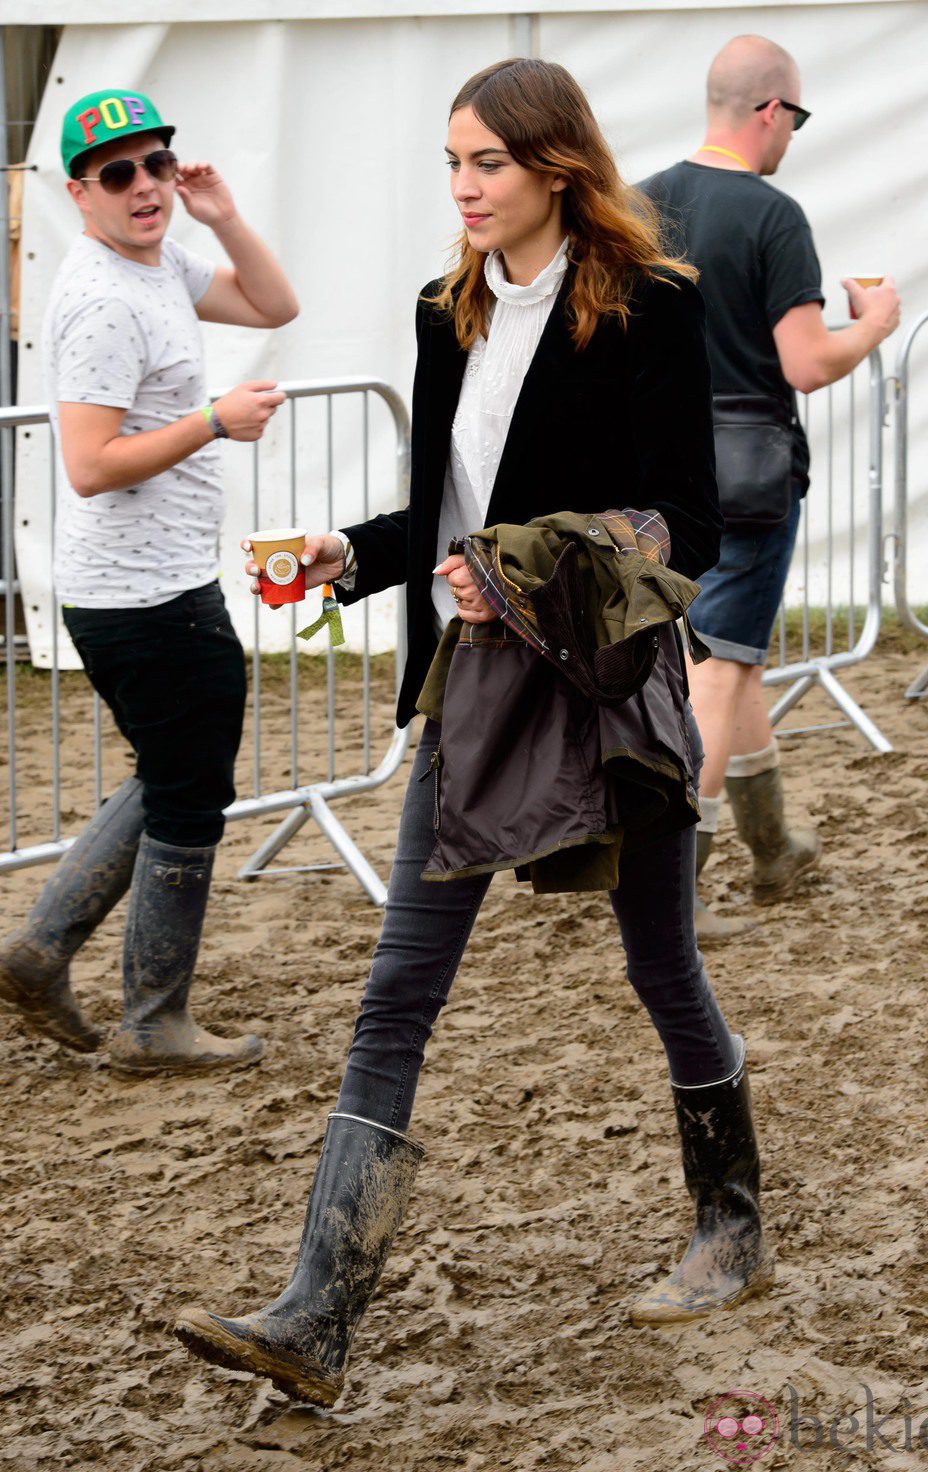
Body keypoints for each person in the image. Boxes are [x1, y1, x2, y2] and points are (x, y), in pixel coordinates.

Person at [173, 58, 772, 1407]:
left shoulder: (652, 309)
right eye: (450, 163)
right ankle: (317, 1317)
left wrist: (524, 561)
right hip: (477, 690)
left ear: (557, 166)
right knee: (398, 988)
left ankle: (730, 1221)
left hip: (610, 687)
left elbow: (689, 521)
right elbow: (440, 520)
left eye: (485, 164)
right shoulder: (446, 313)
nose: (462, 188)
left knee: (663, 967)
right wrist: (345, 551)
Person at [0, 89, 298, 1074]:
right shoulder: (102, 300)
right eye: (118, 173)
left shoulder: (161, 257)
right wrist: (212, 418)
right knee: (189, 783)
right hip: (139, 593)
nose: (144, 187)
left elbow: (273, 304)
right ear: (79, 194)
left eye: (157, 165)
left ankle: (42, 948)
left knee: (178, 769)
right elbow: (88, 461)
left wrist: (222, 217)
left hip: (156, 579)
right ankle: (152, 1019)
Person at [638, 36, 901, 943]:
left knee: (727, 651)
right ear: (770, 111)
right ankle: (678, 888)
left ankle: (774, 843)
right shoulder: (772, 213)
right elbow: (807, 361)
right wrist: (873, 325)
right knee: (717, 672)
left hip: (654, 470)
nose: (792, 133)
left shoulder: (635, 205)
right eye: (795, 117)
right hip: (747, 473)